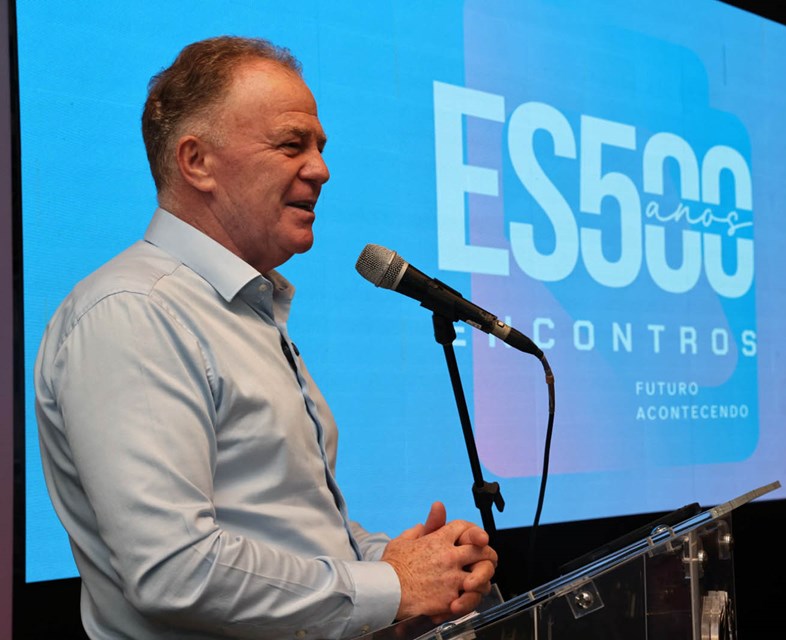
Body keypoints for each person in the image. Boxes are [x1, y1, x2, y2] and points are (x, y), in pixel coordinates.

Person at [34, 36, 497, 640]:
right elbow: (174, 570)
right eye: (291, 144)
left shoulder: (249, 310)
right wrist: (393, 585)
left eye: (320, 147)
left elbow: (292, 530)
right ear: (197, 162)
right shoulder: (136, 311)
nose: (321, 169)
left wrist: (407, 563)